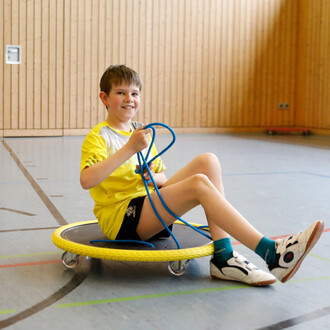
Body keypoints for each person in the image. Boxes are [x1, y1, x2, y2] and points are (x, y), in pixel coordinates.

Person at [80, 64, 324, 286]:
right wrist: (129, 149)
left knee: (208, 161)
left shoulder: (140, 133)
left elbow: (162, 178)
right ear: (104, 98)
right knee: (198, 184)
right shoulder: (99, 137)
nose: (129, 99)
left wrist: (152, 178)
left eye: (135, 93)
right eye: (121, 93)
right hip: (122, 218)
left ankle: (223, 258)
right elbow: (87, 180)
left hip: (148, 205)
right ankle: (272, 253)